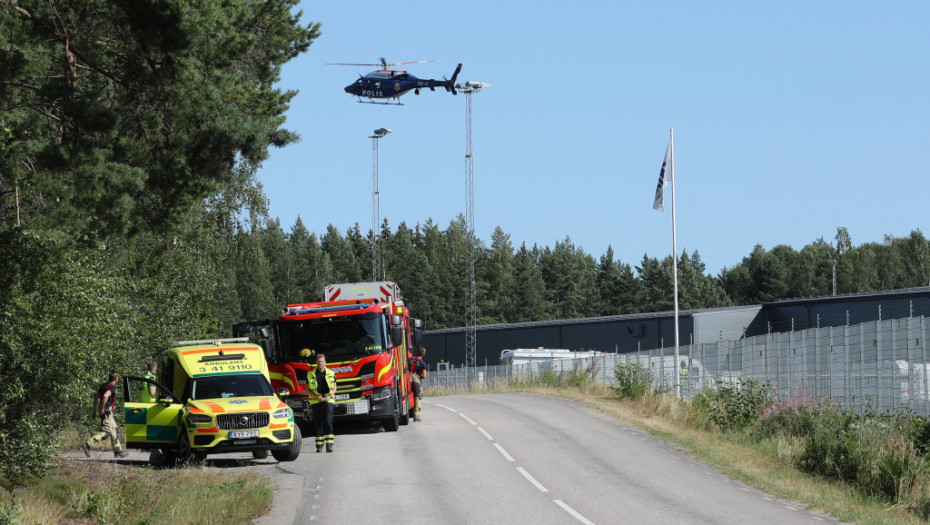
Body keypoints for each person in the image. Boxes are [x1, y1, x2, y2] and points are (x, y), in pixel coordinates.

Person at [82, 371, 128, 459]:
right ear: (116, 378)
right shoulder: (112, 388)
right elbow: (105, 396)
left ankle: (118, 452)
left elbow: (96, 397)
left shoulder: (104, 386)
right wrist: (102, 409)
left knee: (115, 430)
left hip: (108, 412)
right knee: (106, 432)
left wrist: (94, 411)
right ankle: (88, 444)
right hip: (107, 411)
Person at [308, 353, 336, 453]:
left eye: (322, 361)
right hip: (316, 401)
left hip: (328, 400)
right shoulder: (310, 374)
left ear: (325, 362)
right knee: (318, 423)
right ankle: (319, 446)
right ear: (316, 362)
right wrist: (317, 397)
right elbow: (307, 390)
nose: (320, 363)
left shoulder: (331, 373)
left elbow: (335, 387)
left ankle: (329, 445)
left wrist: (330, 395)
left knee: (328, 422)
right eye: (318, 361)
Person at [409, 346, 427, 421]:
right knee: (417, 397)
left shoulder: (410, 360)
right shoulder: (422, 363)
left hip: (408, 380)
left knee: (408, 396)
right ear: (423, 354)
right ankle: (416, 416)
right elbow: (424, 376)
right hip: (416, 380)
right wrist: (420, 378)